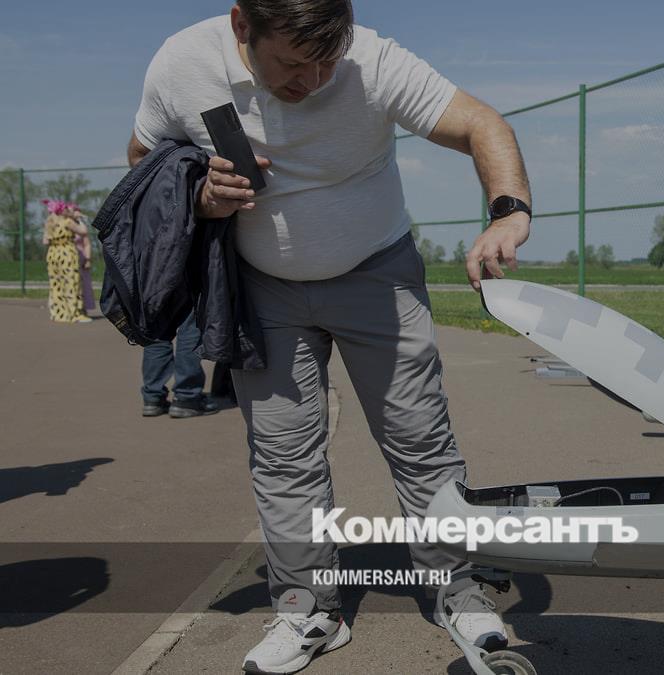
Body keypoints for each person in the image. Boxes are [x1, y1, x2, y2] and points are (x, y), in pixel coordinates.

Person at [128, 2, 531, 672]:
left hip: (378, 273)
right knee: (283, 455)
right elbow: (142, 158)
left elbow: (482, 124)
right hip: (262, 287)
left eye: (327, 61)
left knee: (419, 438)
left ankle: (456, 590)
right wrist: (200, 194)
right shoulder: (183, 63)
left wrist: (509, 212)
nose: (313, 80)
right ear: (242, 27)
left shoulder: (372, 61)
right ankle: (307, 608)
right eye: (293, 63)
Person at [40, 199, 91, 323]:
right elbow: (84, 232)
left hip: (53, 253)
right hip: (66, 253)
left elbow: (45, 241)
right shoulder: (67, 221)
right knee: (72, 282)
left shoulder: (49, 222)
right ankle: (75, 313)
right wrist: (78, 219)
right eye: (66, 209)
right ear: (62, 211)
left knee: (56, 284)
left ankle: (59, 313)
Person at [70, 206, 98, 316]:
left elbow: (87, 244)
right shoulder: (66, 224)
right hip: (69, 258)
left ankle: (83, 308)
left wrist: (88, 259)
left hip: (81, 259)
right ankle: (71, 308)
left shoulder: (81, 226)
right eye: (74, 211)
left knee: (84, 284)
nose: (76, 213)